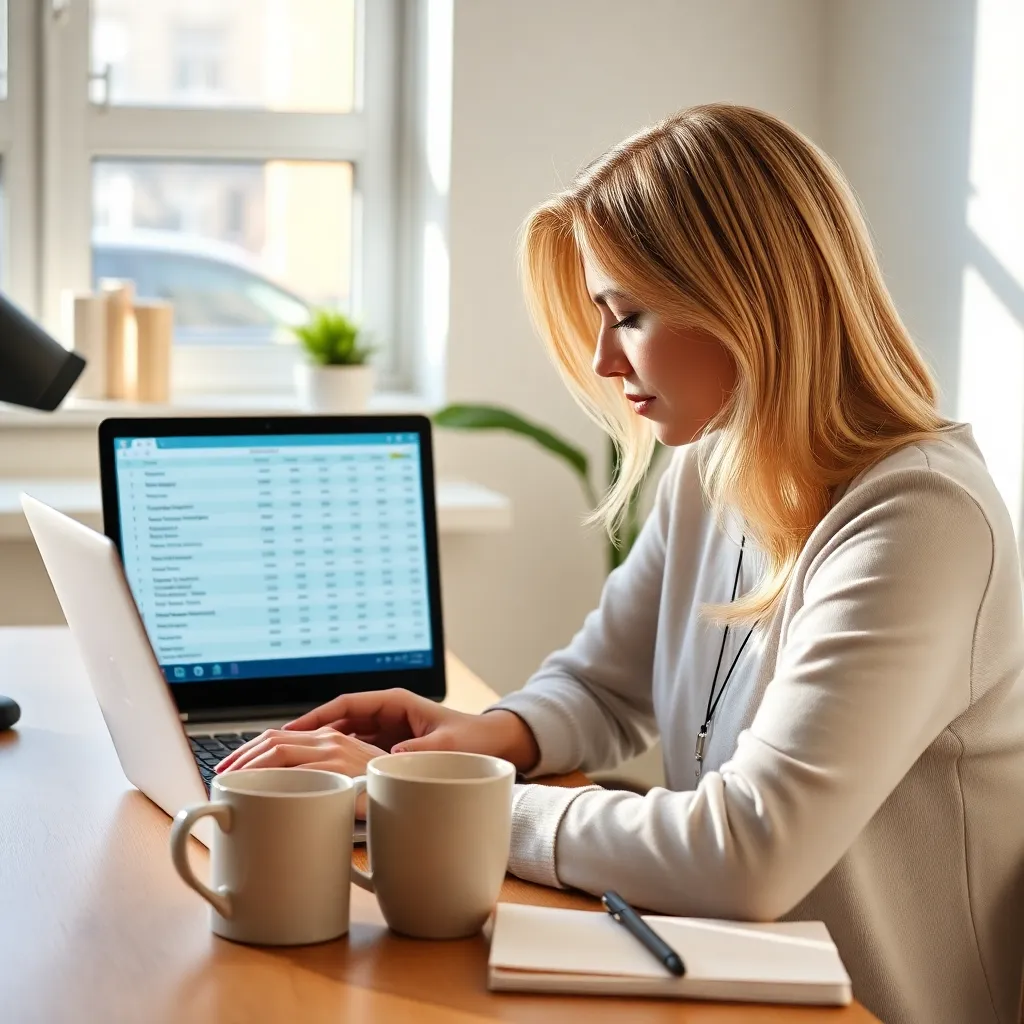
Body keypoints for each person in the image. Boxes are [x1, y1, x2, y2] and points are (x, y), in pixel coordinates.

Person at [217, 104, 1024, 1024]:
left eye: (627, 315)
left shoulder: (920, 519)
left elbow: (747, 852)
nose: (603, 359)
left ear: (747, 300)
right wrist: (493, 738)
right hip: (728, 979)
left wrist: (431, 799)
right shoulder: (715, 464)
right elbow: (604, 686)